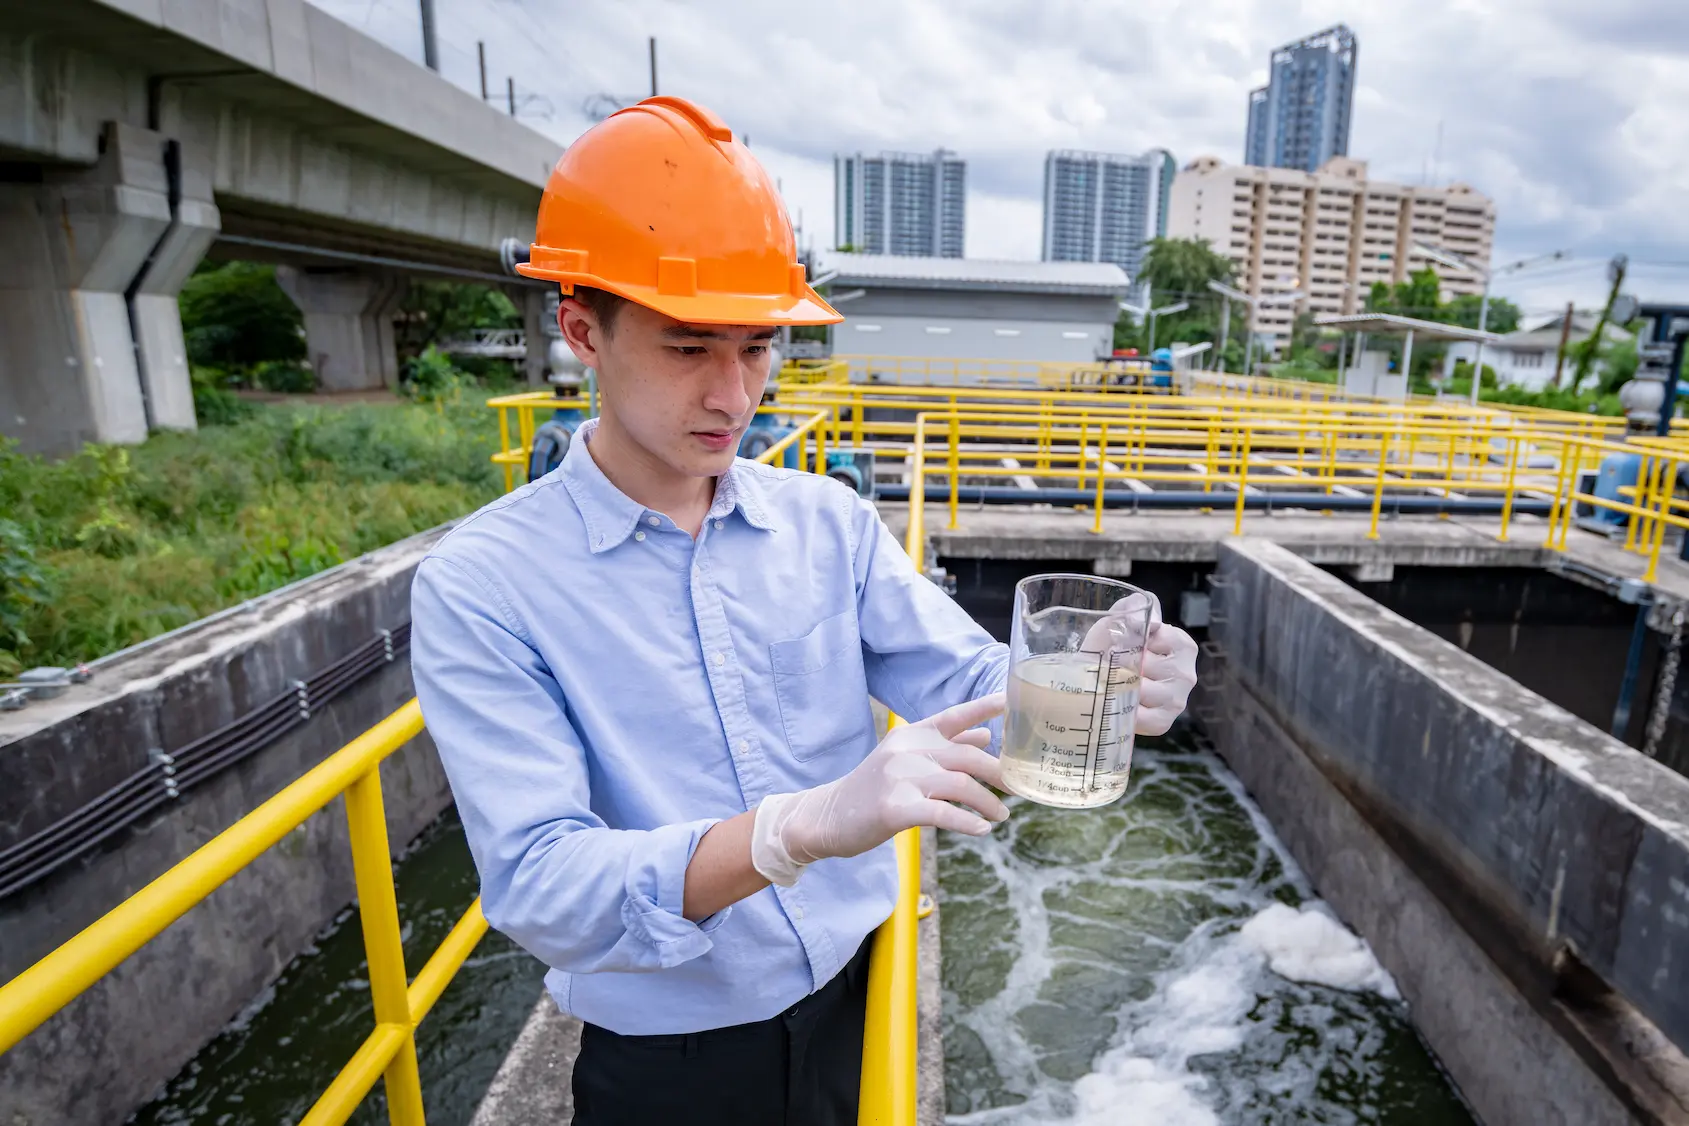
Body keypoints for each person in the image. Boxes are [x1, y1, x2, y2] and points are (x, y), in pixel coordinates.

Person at [409, 96, 1199, 1126]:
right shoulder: (484, 583)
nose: (734, 395)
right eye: (690, 346)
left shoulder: (828, 523)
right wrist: (796, 829)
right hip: (668, 1059)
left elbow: (965, 681)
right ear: (581, 331)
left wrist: (1085, 677)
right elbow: (539, 881)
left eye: (759, 346)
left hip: (853, 993)